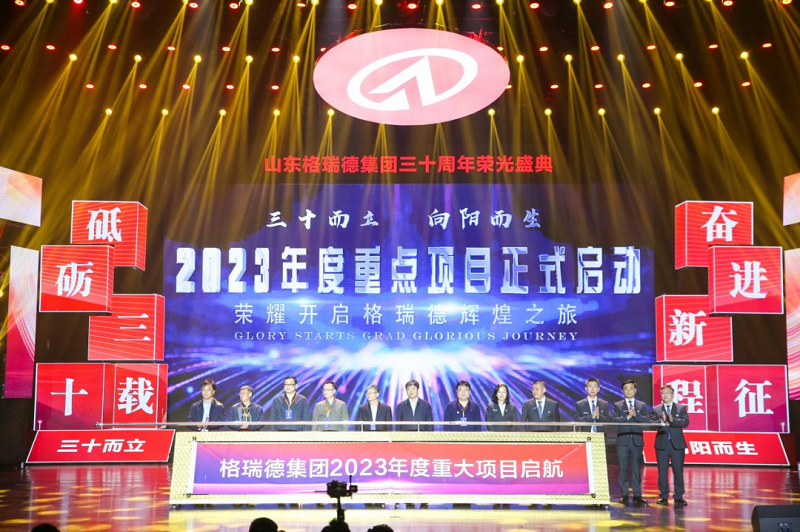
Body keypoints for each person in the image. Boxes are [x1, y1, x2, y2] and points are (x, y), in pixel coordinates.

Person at [612, 379, 649, 505]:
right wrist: (627, 417)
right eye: (626, 389)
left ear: (635, 390)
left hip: (637, 441)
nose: (628, 391)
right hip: (623, 441)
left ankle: (637, 495)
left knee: (636, 469)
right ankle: (624, 494)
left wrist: (636, 415)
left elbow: (646, 421)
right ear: (623, 391)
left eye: (631, 388)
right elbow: (614, 420)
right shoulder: (618, 405)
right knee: (623, 469)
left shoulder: (641, 405)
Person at [651, 385, 689, 506]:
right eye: (663, 393)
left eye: (668, 393)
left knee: (678, 471)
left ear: (673, 395)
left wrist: (673, 420)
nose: (665, 395)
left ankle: (678, 496)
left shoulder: (680, 408)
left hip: (677, 445)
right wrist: (661, 422)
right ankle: (663, 496)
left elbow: (685, 422)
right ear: (661, 395)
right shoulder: (656, 409)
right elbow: (651, 424)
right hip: (662, 445)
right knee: (662, 472)